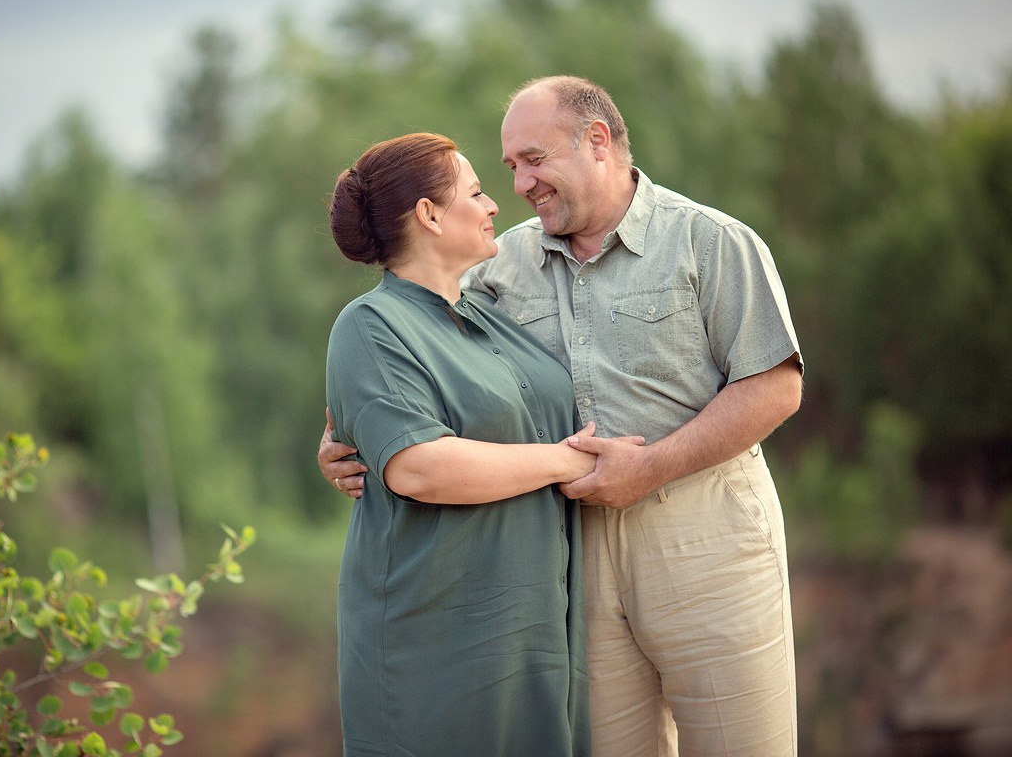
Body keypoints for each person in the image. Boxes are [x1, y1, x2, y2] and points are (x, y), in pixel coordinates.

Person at [320, 77, 804, 757]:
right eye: (508, 166)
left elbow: (775, 387)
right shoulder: (501, 262)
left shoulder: (711, 241)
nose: (517, 183)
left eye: (532, 159)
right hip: (576, 555)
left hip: (704, 536)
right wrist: (345, 434)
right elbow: (412, 345)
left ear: (597, 143)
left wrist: (652, 466)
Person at [325, 132, 608, 756]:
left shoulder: (485, 314)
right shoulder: (369, 326)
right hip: (435, 642)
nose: (494, 206)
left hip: (534, 630)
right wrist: (563, 460)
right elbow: (420, 467)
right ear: (428, 215)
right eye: (477, 192)